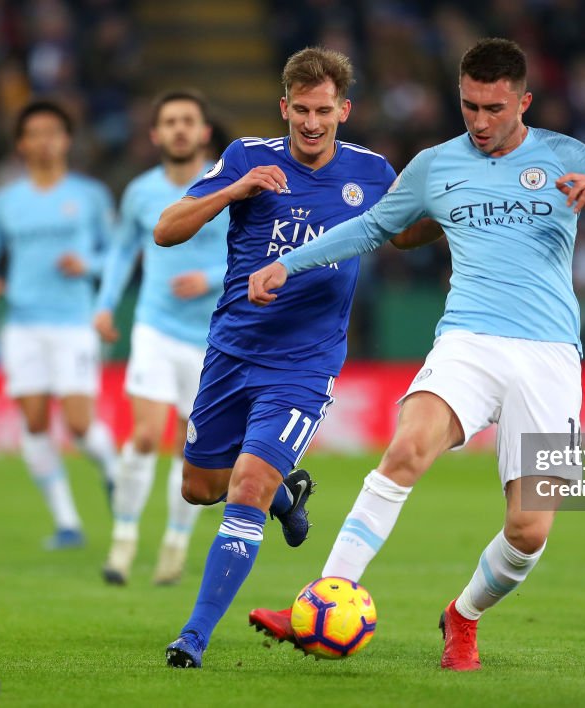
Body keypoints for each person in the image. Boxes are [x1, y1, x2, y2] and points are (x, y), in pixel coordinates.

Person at [246, 38, 585, 671]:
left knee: (529, 533)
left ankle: (462, 616)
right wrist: (288, 264)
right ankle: (318, 599)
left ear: (523, 100)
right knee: (405, 449)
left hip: (549, 354)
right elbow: (373, 227)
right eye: (469, 106)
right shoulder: (436, 165)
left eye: (494, 109)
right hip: (467, 340)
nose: (481, 122)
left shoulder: (566, 155)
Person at [153, 47, 438, 669]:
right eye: (301, 111)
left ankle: (193, 637)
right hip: (232, 351)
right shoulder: (248, 158)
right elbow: (167, 228)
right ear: (284, 107)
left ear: (345, 110)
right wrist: (235, 189)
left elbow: (408, 231)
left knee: (247, 485)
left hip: (304, 365)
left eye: (324, 111)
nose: (312, 123)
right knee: (201, 488)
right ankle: (288, 496)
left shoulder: (370, 171)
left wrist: (449, 210)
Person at [0, 100, 119, 550]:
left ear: (67, 140)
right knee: (33, 423)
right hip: (22, 324)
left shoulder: (90, 196)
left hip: (73, 322)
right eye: (35, 132)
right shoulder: (5, 201)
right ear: (21, 144)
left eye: (54, 131)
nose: (45, 140)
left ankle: (111, 469)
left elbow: (116, 252)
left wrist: (87, 263)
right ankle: (67, 523)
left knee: (77, 424)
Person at [94, 89, 229, 586]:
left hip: (215, 339)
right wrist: (104, 304)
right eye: (169, 121)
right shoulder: (140, 193)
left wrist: (209, 278)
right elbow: (121, 250)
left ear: (203, 131)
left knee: (192, 452)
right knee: (146, 435)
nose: (178, 129)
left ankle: (174, 544)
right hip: (156, 326)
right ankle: (123, 542)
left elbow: (253, 252)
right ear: (155, 134)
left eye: (187, 120)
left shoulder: (227, 185)